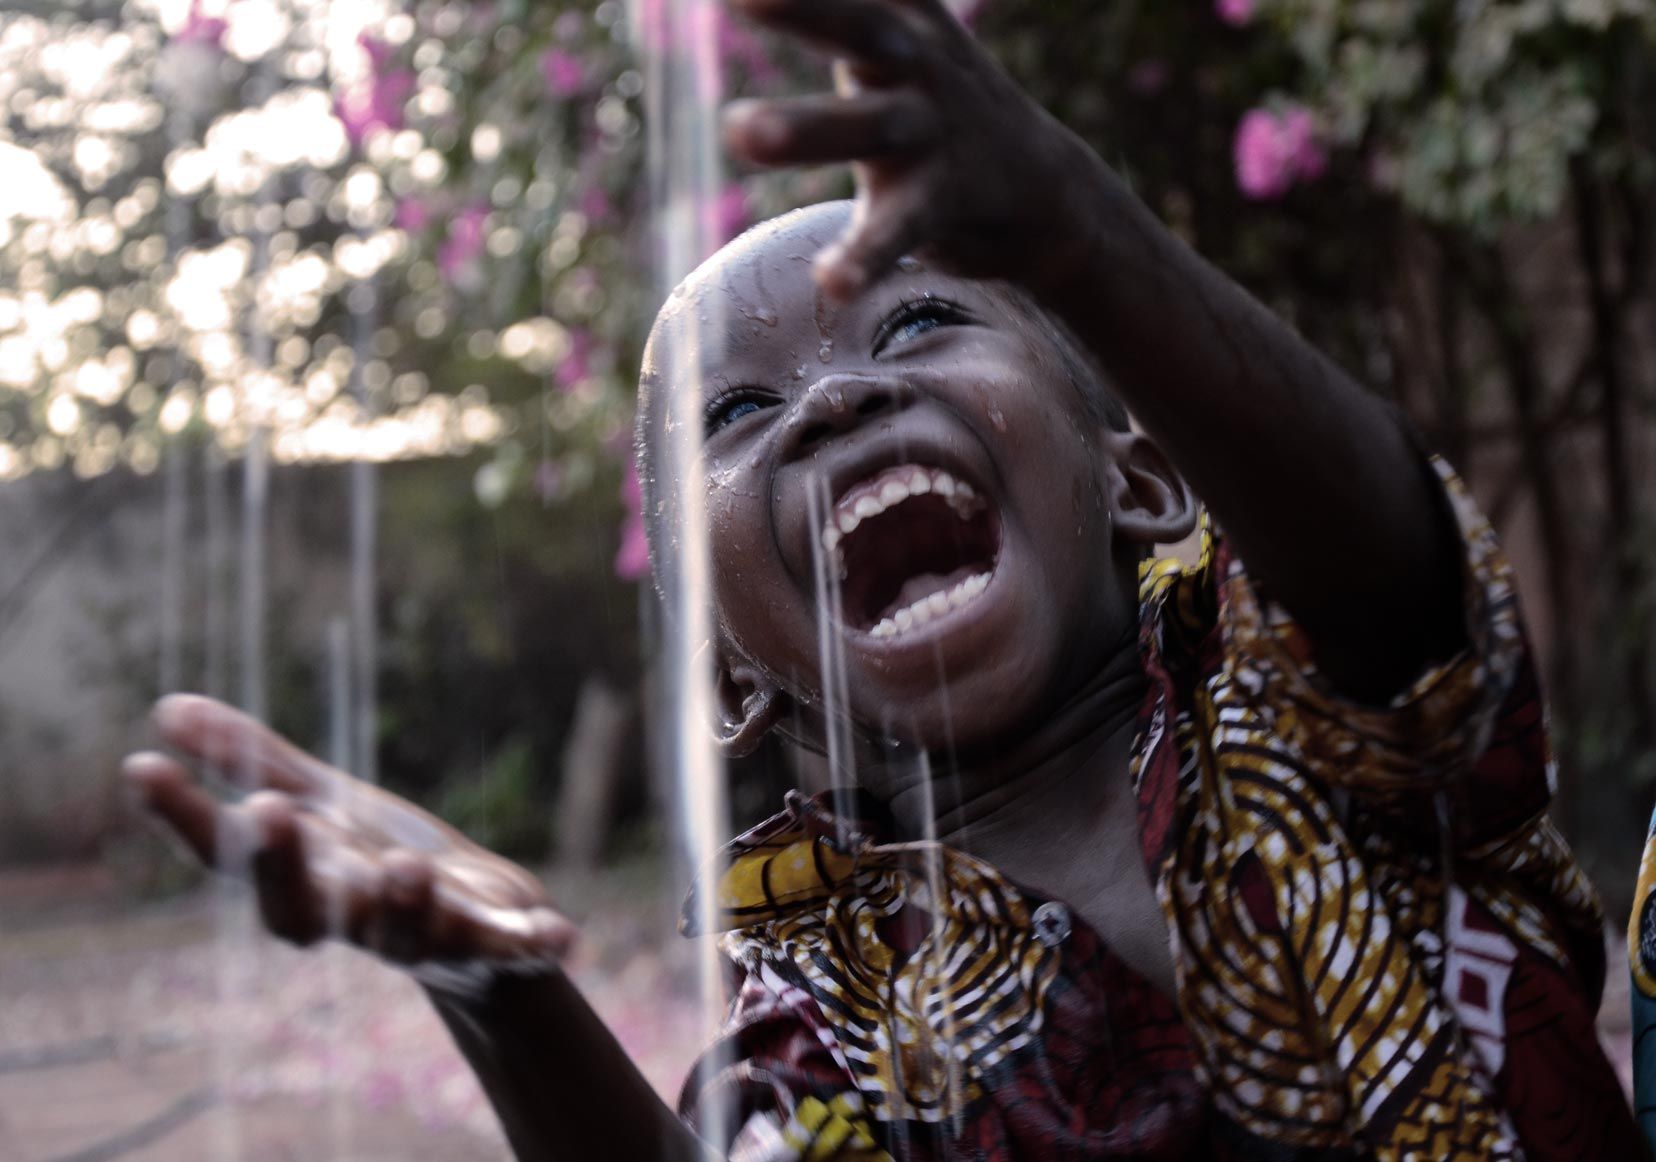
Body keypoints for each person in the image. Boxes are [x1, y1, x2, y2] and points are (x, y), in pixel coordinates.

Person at [123, 0, 1643, 1158]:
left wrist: (1079, 232)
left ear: (1141, 481)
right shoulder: (820, 1044)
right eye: (734, 411)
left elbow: (1404, 586)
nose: (837, 401)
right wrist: (497, 993)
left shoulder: (1326, 717)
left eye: (917, 329)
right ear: (729, 675)